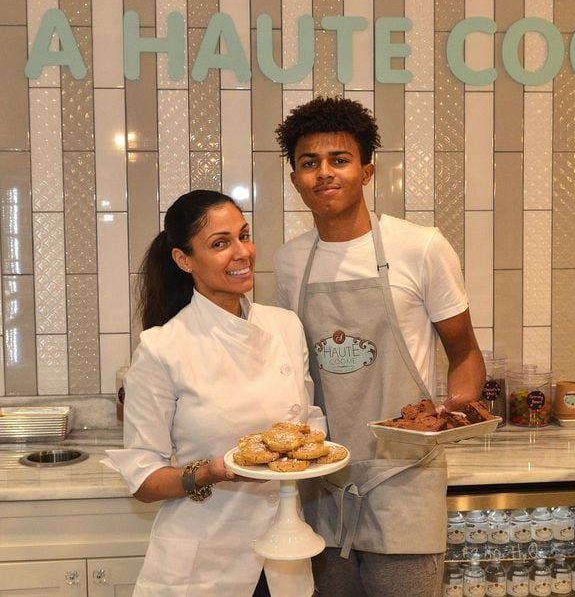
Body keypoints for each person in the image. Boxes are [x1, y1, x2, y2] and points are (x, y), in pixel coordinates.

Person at [274, 96, 486, 596]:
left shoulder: (421, 247)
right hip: (322, 481)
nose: (324, 173)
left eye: (339, 160)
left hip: (405, 480)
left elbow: (465, 353)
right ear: (295, 178)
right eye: (309, 163)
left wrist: (453, 409)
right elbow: (290, 370)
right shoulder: (290, 263)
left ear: (367, 171)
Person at [104, 190, 322, 597]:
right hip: (206, 567)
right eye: (220, 244)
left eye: (244, 235)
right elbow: (144, 482)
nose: (242, 252)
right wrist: (211, 472)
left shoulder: (285, 327)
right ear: (184, 261)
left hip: (285, 561)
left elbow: (306, 431)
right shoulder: (163, 348)